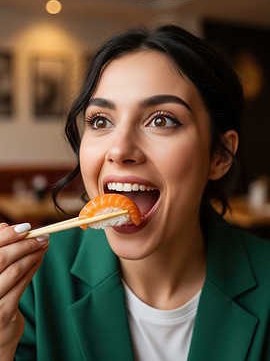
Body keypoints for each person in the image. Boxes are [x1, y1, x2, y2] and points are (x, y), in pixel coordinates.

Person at [1, 24, 270, 361]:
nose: (119, 148)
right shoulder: (33, 282)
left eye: (161, 120)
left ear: (220, 155)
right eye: (101, 121)